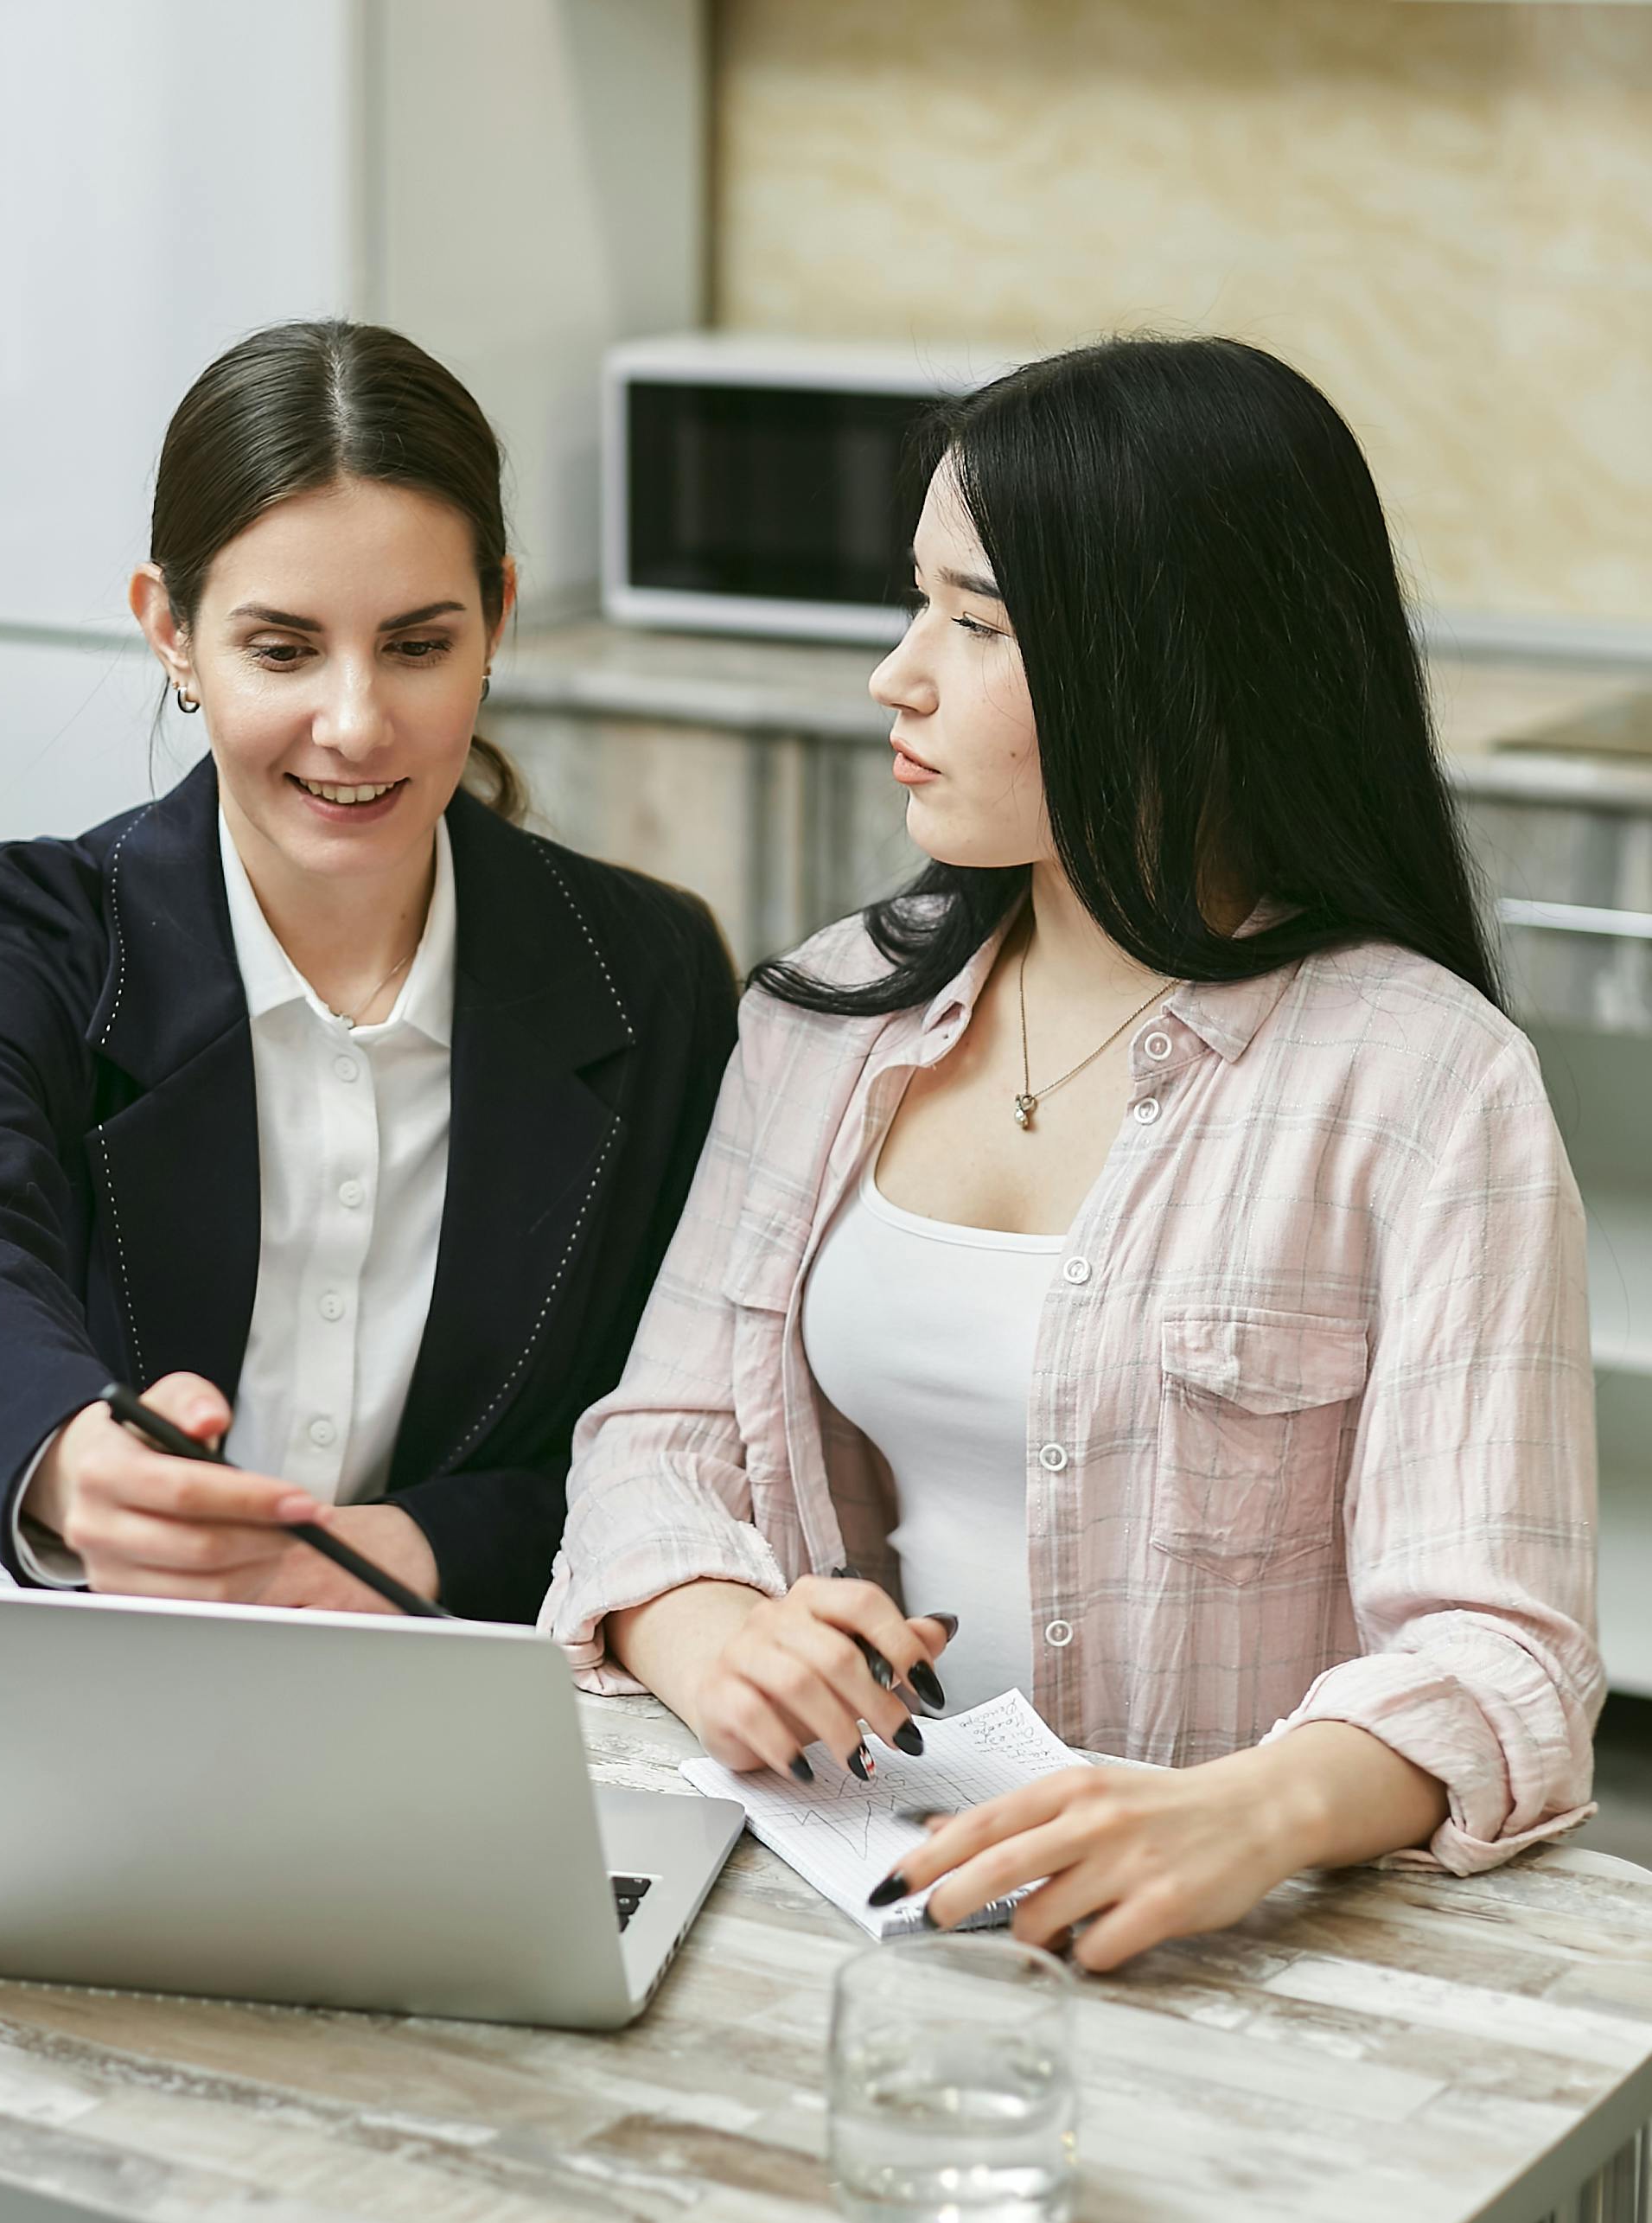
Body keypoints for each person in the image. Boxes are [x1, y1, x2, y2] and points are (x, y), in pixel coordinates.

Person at [0, 320, 737, 2223]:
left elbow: (663, 1426)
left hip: (430, 1756)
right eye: (277, 646)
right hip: (64, 1737)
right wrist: (71, 1461)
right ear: (167, 630)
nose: (350, 724)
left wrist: (402, 1558)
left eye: (416, 641)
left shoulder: (646, 971)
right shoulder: (30, 927)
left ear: (497, 619)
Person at [545, 335, 1600, 1981]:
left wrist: (1243, 1813)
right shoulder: (829, 1017)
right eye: (918, 604)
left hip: (1230, 1957)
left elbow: (1501, 1653)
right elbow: (655, 1439)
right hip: (842, 1902)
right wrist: (719, 1635)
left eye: (973, 625)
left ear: (1172, 667)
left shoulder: (1428, 1088)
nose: (898, 674)